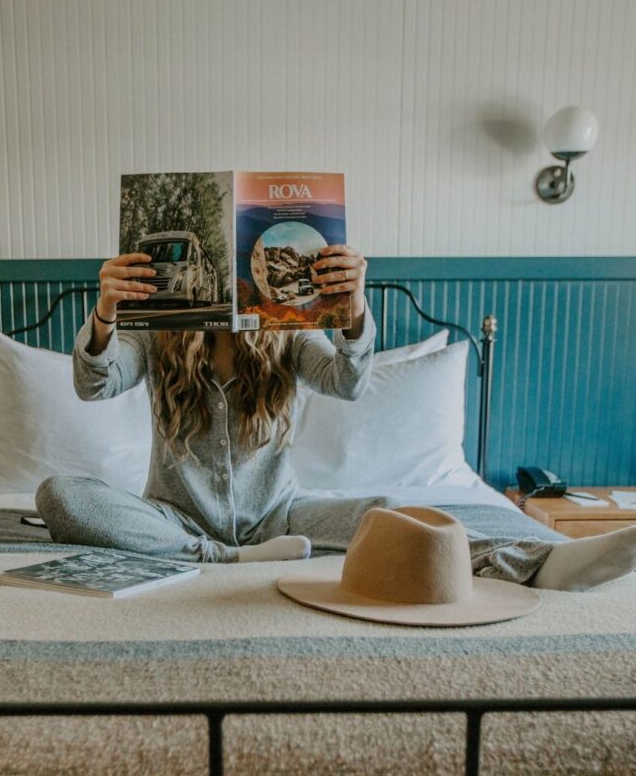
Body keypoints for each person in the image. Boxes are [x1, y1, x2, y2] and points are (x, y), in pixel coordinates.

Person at [36, 246, 636, 592]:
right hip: (174, 516)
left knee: (394, 516)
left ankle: (539, 563)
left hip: (282, 515)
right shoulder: (161, 333)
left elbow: (348, 381)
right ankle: (216, 558)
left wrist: (353, 312)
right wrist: (107, 310)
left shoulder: (287, 333)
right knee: (59, 493)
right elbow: (93, 384)